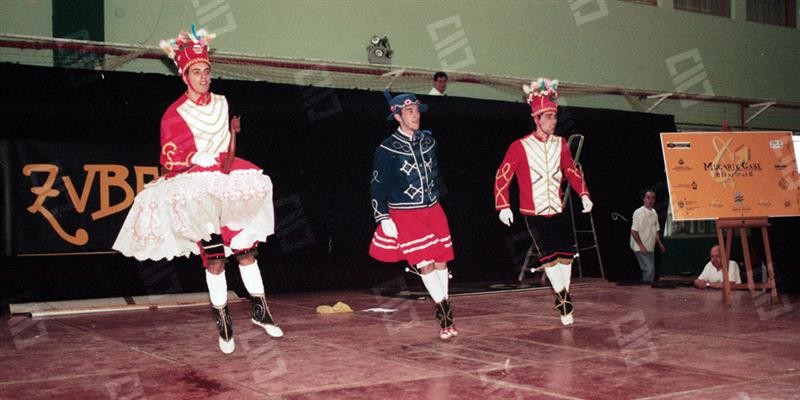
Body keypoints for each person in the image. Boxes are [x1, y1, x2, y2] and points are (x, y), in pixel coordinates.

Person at [113, 27, 283, 354]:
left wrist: (229, 146)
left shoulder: (221, 103)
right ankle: (223, 321)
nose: (204, 77)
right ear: (185, 76)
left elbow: (227, 151)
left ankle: (261, 311)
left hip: (226, 180)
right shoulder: (174, 113)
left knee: (247, 249)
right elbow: (168, 156)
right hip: (197, 190)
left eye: (207, 71)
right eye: (197, 72)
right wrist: (193, 157)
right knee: (215, 258)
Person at [494, 78, 592, 326]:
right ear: (536, 119)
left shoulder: (561, 144)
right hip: (533, 211)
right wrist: (503, 205)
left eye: (554, 117)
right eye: (547, 117)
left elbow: (571, 171)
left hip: (556, 208)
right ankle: (563, 299)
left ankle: (564, 294)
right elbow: (503, 175)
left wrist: (584, 194)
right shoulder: (520, 146)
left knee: (566, 255)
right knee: (549, 257)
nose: (552, 122)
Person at [368, 91, 457, 340]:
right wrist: (383, 217)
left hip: (432, 210)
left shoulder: (429, 143)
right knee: (424, 262)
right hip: (405, 213)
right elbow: (377, 185)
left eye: (417, 110)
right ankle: (444, 312)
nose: (415, 115)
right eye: (409, 111)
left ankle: (444, 302)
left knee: (441, 261)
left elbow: (435, 176)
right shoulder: (386, 148)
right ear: (397, 116)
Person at [630, 190, 665, 283]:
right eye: (648, 197)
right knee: (649, 269)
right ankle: (646, 291)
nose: (650, 200)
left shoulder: (654, 212)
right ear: (644, 199)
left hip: (650, 247)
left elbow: (656, 230)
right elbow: (633, 231)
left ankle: (645, 293)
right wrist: (641, 246)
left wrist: (660, 244)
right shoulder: (638, 212)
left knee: (649, 270)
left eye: (653, 198)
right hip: (639, 246)